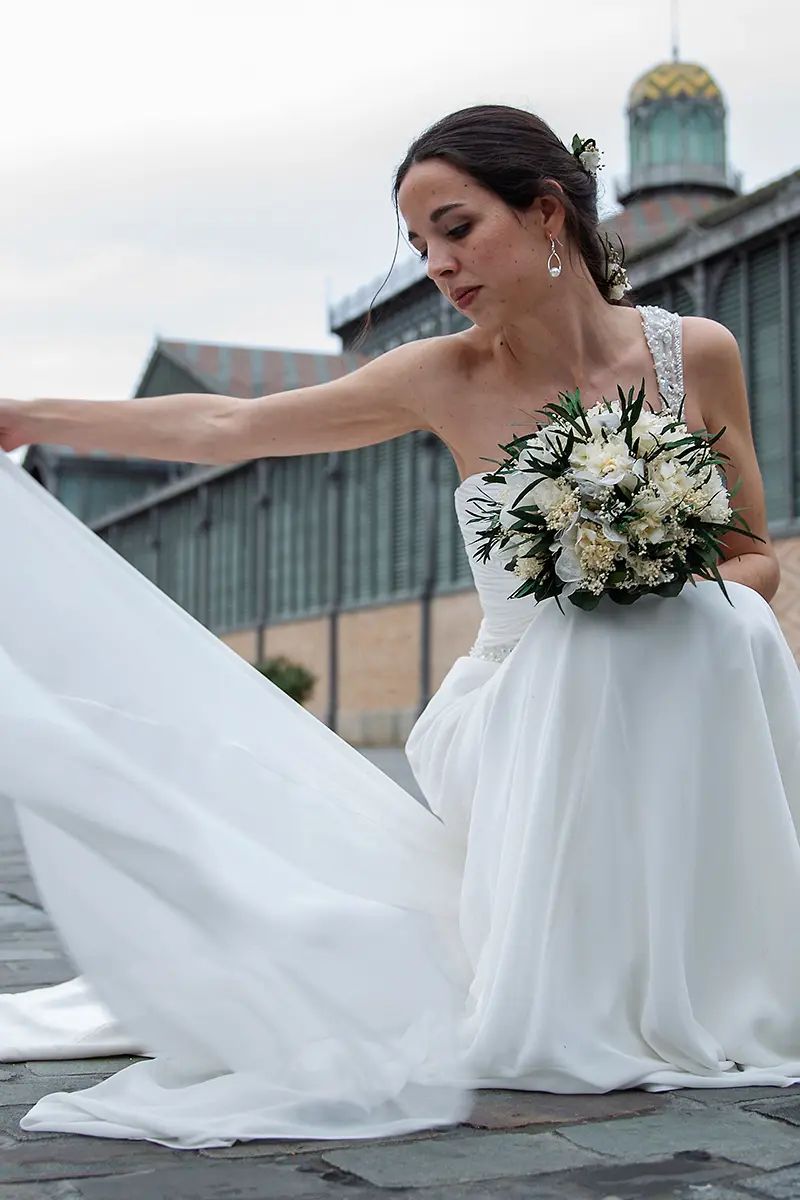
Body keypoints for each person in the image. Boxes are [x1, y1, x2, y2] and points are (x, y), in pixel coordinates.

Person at [1, 103, 800, 1152]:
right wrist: (30, 416)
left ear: (546, 214)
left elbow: (754, 556)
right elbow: (227, 425)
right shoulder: (439, 375)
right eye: (419, 243)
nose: (435, 264)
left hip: (663, 694)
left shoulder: (692, 352)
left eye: (455, 229)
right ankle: (579, 995)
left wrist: (657, 573)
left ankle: (727, 974)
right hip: (509, 708)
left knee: (712, 623)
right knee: (583, 638)